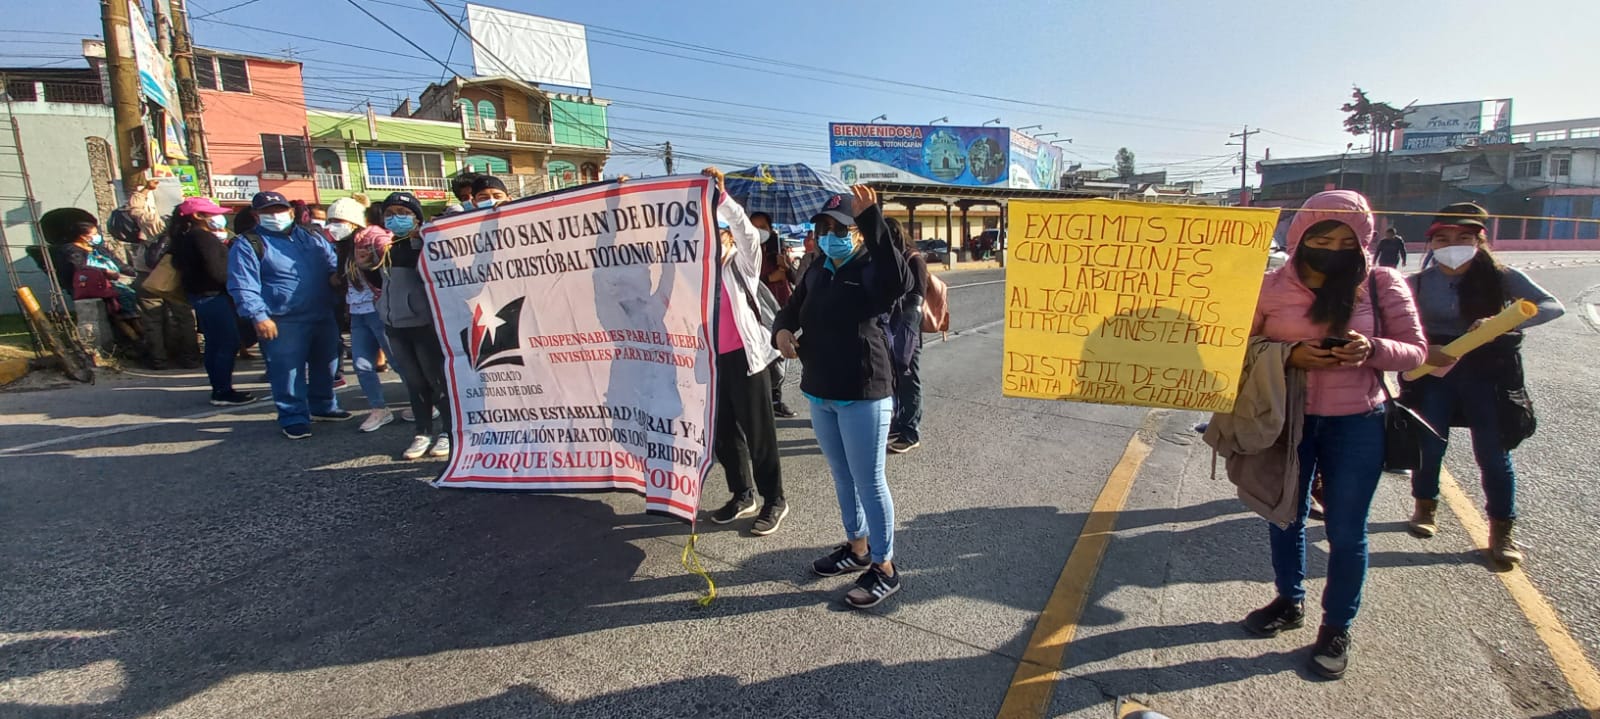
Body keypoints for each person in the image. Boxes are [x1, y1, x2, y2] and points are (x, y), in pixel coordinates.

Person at [1242, 190, 1426, 679]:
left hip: (1357, 422)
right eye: (1320, 236)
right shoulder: (1266, 286)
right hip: (1286, 419)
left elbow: (1416, 352)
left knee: (1347, 532)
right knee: (1284, 516)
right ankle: (1288, 600)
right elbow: (1237, 345)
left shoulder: (1383, 282)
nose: (1331, 247)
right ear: (1299, 235)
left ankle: (1337, 627)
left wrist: (1371, 348)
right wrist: (1290, 356)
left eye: (1345, 240)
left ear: (1363, 241)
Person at [1402, 202, 1564, 566]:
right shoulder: (1416, 283)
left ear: (1479, 241)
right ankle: (1425, 507)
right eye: (1442, 238)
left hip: (1488, 372)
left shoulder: (1502, 276)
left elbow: (1552, 306)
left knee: (1493, 453)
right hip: (1435, 369)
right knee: (1429, 444)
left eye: (1463, 237)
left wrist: (1503, 322)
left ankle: (1502, 530)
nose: (1452, 244)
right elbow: (1395, 325)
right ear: (1431, 244)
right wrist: (1427, 348)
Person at [774, 186, 911, 608]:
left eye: (840, 229)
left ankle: (884, 567)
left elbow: (899, 280)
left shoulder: (872, 267)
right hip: (821, 390)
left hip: (864, 393)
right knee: (842, 475)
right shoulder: (816, 268)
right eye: (824, 227)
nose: (830, 234)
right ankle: (856, 548)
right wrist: (781, 330)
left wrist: (872, 220)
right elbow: (792, 309)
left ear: (856, 234)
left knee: (869, 480)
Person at [700, 168, 788, 535]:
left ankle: (774, 499)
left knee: (758, 432)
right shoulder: (694, 272)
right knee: (724, 434)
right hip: (710, 362)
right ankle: (742, 493)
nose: (718, 238)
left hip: (746, 359)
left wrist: (723, 197)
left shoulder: (743, 265)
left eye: (722, 233)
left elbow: (747, 232)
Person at [228, 191, 351, 439]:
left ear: (291, 212)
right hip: (283, 319)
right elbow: (243, 285)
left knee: (328, 364)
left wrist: (339, 278)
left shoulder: (311, 236)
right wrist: (259, 316)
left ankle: (324, 406)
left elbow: (329, 264)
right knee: (287, 370)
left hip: (322, 312)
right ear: (256, 215)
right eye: (267, 212)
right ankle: (293, 416)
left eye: (279, 210)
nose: (275, 215)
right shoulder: (248, 243)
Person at [362, 192, 451, 460]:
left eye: (403, 212)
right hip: (394, 325)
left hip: (424, 324)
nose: (395, 217)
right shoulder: (388, 247)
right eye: (389, 213)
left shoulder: (428, 243)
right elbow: (383, 285)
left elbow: (439, 275)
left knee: (437, 381)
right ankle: (422, 433)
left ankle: (448, 432)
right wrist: (367, 268)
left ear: (416, 216)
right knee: (414, 382)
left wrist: (423, 242)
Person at [165, 196, 256, 406]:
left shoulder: (186, 238)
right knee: (227, 342)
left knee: (215, 344)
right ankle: (222, 390)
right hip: (213, 296)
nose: (218, 217)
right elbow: (217, 271)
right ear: (197, 216)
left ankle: (219, 387)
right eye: (212, 214)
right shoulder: (202, 238)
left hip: (201, 297)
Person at [123, 178, 200, 369]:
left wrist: (145, 191)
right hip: (176, 276)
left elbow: (135, 209)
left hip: (148, 275)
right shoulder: (193, 228)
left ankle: (159, 359)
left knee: (152, 320)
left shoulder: (155, 224)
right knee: (185, 318)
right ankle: (190, 358)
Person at [884, 217, 929, 454]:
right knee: (895, 380)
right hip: (891, 328)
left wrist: (905, 336)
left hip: (907, 328)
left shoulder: (913, 259)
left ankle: (911, 431)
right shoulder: (891, 259)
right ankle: (899, 423)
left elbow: (917, 300)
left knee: (909, 377)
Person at [750, 211, 798, 419]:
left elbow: (796, 279)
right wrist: (771, 277)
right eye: (755, 227)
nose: (760, 231)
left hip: (783, 308)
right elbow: (750, 282)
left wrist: (786, 268)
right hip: (760, 312)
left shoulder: (777, 252)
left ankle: (776, 399)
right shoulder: (748, 252)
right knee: (766, 356)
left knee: (781, 355)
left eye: (764, 227)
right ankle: (764, 400)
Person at [54, 218, 141, 320]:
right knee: (124, 295)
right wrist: (105, 272)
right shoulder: (71, 251)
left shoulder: (97, 248)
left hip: (106, 282)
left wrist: (137, 273)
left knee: (131, 293)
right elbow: (81, 268)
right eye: (94, 234)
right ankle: (129, 320)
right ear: (83, 236)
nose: (97, 236)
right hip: (86, 285)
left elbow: (117, 264)